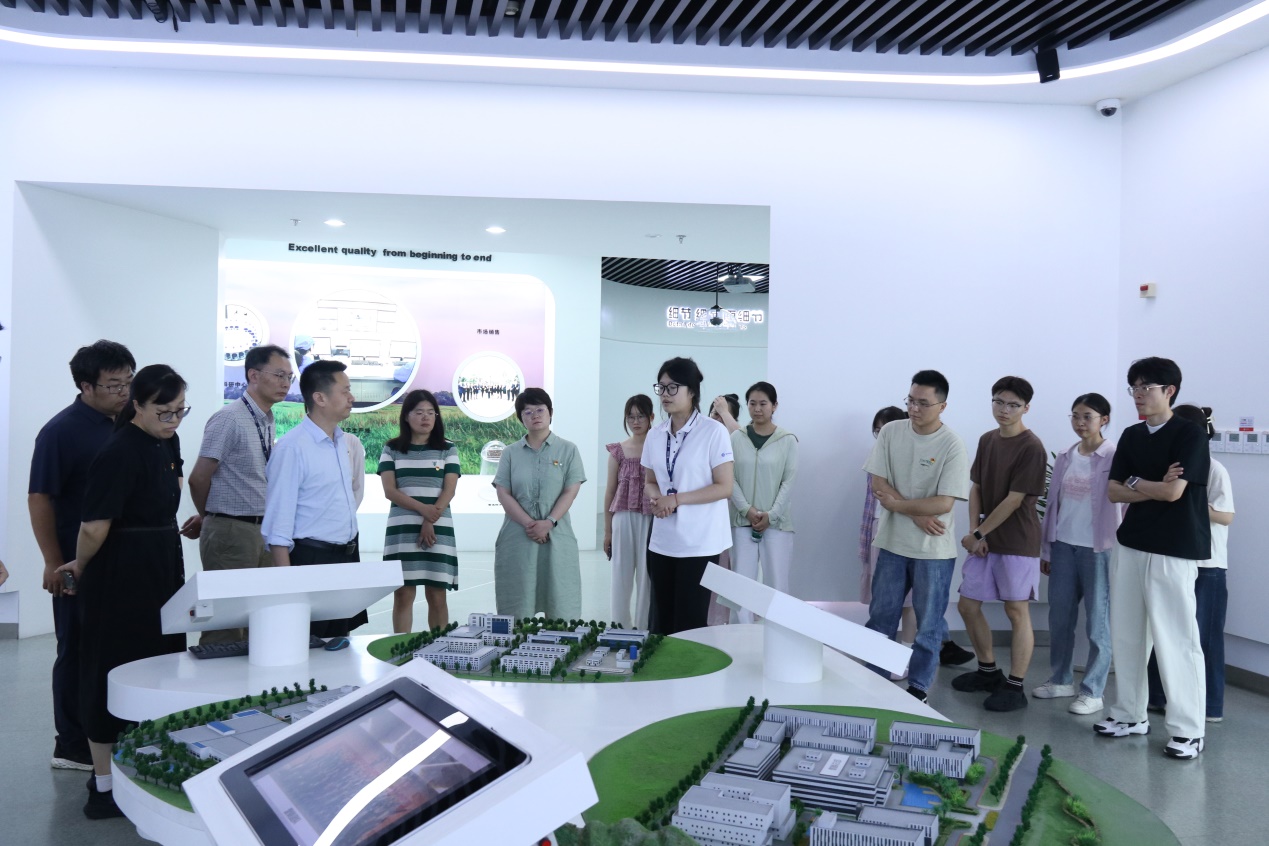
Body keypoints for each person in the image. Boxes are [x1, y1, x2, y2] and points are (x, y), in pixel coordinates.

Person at [55, 365, 193, 819]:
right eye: (164, 411)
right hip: (118, 575)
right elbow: (93, 528)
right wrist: (80, 566)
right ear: (137, 405)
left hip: (161, 568)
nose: (173, 420)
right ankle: (104, 785)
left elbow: (169, 493)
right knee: (109, 672)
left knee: (161, 666)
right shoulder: (117, 451)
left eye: (180, 411)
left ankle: (145, 769)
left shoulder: (166, 441)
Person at [28, 339, 136, 773]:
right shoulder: (61, 431)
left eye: (128, 382)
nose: (124, 392)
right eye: (114, 385)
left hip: (120, 561)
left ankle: (112, 734)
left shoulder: (129, 424)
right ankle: (71, 745)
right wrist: (53, 562)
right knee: (76, 651)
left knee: (116, 649)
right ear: (86, 386)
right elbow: (40, 497)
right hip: (77, 563)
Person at [1096, 357, 1211, 760]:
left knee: (1176, 639)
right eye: (1134, 388)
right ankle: (1129, 715)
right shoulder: (1131, 435)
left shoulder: (1190, 434)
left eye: (1147, 387)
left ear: (1170, 391)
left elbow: (1173, 493)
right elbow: (1114, 491)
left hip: (1174, 548)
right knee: (1127, 635)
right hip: (1131, 544)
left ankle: (1188, 730)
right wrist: (1147, 483)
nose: (1138, 395)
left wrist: (1136, 483)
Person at [862, 370, 971, 704]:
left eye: (923, 403)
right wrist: (917, 514)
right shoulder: (891, 432)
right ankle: (872, 684)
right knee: (880, 620)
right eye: (910, 400)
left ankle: (919, 689)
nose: (914, 408)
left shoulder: (952, 444)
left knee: (929, 626)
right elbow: (878, 484)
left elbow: (944, 503)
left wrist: (899, 506)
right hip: (892, 544)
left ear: (942, 406)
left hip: (933, 552)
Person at [952, 376, 1048, 712]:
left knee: (1016, 611)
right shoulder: (987, 439)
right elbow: (976, 487)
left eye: (1013, 405)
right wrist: (975, 531)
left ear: (1026, 408)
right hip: (985, 539)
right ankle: (988, 671)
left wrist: (979, 534)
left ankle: (1016, 685)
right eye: (999, 402)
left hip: (1018, 541)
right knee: (967, 605)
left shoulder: (1032, 447)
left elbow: (1014, 500)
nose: (1004, 410)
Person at [186, 345, 293, 644]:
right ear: (253, 375)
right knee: (226, 624)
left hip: (261, 530)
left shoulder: (266, 418)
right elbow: (198, 478)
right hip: (232, 531)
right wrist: (211, 517)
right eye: (279, 375)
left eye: (290, 377)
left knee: (257, 621)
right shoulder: (229, 418)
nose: (286, 383)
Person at [262, 360, 367, 638]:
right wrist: (288, 586)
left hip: (345, 558)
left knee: (339, 646)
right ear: (320, 398)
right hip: (310, 560)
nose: (352, 398)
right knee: (307, 645)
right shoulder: (292, 448)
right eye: (345, 391)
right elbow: (277, 525)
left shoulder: (341, 442)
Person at [1034, 393, 1121, 716]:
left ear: (1104, 420)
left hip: (1098, 550)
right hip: (1063, 546)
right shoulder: (1065, 456)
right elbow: (1053, 506)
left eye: (1087, 417)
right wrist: (1047, 548)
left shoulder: (1113, 456)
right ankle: (1060, 680)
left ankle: (1093, 691)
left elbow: (1124, 504)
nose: (1080, 423)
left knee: (1097, 622)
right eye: (1075, 416)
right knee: (1059, 618)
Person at [1147, 404, 1234, 723]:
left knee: (1205, 638)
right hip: (1172, 559)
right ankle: (1157, 697)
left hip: (1208, 567)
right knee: (1163, 633)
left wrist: (1186, 499)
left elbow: (1226, 516)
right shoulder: (1169, 466)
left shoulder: (1215, 469)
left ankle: (1209, 706)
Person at [642, 358, 735, 635]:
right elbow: (649, 481)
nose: (665, 394)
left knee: (690, 623)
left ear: (692, 391)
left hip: (699, 542)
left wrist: (676, 499)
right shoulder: (655, 434)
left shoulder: (713, 431)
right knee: (661, 621)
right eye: (661, 387)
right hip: (662, 541)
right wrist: (657, 499)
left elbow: (724, 486)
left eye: (673, 387)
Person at [492, 388, 586, 620]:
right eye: (528, 412)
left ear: (550, 412)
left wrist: (549, 522)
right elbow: (503, 493)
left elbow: (571, 490)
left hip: (557, 534)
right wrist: (530, 524)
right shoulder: (510, 453)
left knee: (561, 603)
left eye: (540, 409)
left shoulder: (568, 449)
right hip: (518, 536)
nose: (535, 415)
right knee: (517, 605)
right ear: (521, 418)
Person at [379, 390, 460, 634]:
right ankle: (401, 647)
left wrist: (429, 519)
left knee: (437, 594)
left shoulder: (448, 449)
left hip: (438, 528)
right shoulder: (392, 448)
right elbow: (390, 491)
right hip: (402, 530)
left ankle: (438, 647)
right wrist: (424, 510)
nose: (426, 417)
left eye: (431, 412)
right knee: (403, 594)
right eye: (419, 412)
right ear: (406, 416)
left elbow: (449, 490)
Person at [728, 381, 798, 623]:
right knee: (740, 586)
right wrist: (746, 510)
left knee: (777, 585)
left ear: (774, 406)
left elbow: (788, 481)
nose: (757, 409)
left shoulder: (787, 440)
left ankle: (777, 636)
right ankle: (739, 637)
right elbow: (729, 478)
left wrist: (771, 515)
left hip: (777, 524)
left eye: (763, 404)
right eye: (752, 403)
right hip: (742, 521)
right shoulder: (736, 438)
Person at [861, 406, 918, 649]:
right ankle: (880, 651)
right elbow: (871, 499)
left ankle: (906, 652)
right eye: (877, 430)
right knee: (882, 596)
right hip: (879, 526)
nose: (881, 434)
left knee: (909, 599)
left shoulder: (913, 452)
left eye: (885, 428)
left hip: (907, 528)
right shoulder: (876, 454)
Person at [603, 394, 654, 629]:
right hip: (622, 518)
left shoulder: (658, 447)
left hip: (651, 518)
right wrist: (607, 531)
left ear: (651, 417)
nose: (635, 421)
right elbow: (610, 492)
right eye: (630, 417)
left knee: (647, 578)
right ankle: (619, 628)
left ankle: (644, 629)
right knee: (620, 576)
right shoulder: (618, 451)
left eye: (640, 416)